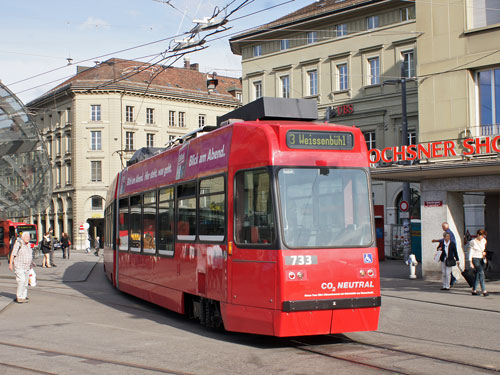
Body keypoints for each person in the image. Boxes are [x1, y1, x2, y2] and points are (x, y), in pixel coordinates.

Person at [8, 232, 33, 303]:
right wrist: (10, 264)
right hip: (19, 266)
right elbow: (13, 254)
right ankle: (19, 297)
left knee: (25, 282)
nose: (28, 238)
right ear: (23, 237)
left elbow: (29, 255)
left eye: (29, 237)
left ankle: (23, 296)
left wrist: (31, 263)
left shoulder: (28, 245)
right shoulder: (19, 243)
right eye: (27, 237)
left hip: (27, 267)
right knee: (21, 280)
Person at [432, 222, 458, 287]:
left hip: (449, 255)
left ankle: (450, 282)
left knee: (447, 270)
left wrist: (436, 240)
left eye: (443, 226)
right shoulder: (447, 235)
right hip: (445, 256)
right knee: (446, 270)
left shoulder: (449, 233)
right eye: (442, 226)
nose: (442, 227)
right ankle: (449, 282)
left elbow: (449, 242)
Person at [469, 229, 489, 297]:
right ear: (478, 235)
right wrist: (470, 262)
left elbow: (484, 249)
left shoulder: (484, 241)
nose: (482, 237)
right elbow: (471, 252)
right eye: (482, 236)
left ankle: (474, 290)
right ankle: (484, 290)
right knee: (481, 273)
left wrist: (484, 253)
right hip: (475, 258)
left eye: (483, 236)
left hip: (482, 258)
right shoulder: (473, 242)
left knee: (478, 274)